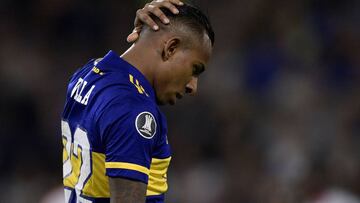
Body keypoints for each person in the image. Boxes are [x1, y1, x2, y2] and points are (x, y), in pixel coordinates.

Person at [61, 0, 215, 202]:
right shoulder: (134, 110)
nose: (192, 87)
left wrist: (144, 38)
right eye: (195, 69)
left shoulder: (88, 74)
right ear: (171, 48)